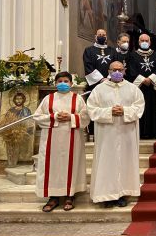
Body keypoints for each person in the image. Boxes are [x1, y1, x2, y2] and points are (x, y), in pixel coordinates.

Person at [87, 61, 145, 208]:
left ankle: (123, 194)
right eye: (114, 70)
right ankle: (107, 195)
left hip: (127, 132)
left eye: (120, 70)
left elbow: (139, 107)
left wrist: (125, 111)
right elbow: (91, 109)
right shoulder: (99, 89)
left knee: (125, 161)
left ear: (124, 71)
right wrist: (109, 111)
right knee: (107, 162)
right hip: (107, 133)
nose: (117, 72)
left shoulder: (133, 89)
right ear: (109, 71)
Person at [34, 72, 90, 212]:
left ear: (71, 84)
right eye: (60, 81)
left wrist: (71, 117)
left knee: (71, 164)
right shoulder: (48, 98)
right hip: (52, 139)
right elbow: (37, 116)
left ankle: (70, 196)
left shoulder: (77, 99)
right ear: (55, 83)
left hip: (73, 137)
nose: (63, 83)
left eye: (66, 81)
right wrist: (54, 117)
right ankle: (53, 197)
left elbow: (85, 117)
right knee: (52, 166)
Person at [126, 34, 156, 139]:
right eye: (142, 40)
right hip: (140, 87)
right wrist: (143, 80)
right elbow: (131, 70)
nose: (144, 42)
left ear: (150, 42)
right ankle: (142, 132)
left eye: (146, 40)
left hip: (153, 87)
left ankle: (154, 132)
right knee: (141, 108)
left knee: (154, 108)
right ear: (138, 42)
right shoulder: (132, 55)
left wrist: (150, 79)